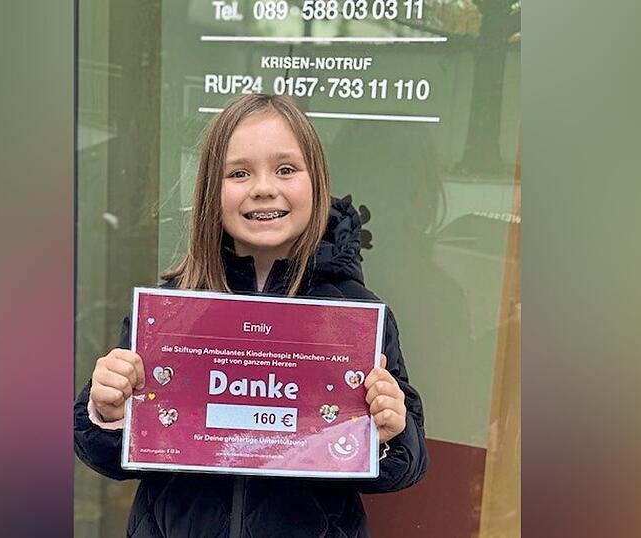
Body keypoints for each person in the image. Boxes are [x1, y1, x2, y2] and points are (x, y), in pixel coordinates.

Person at [74, 94, 428, 538]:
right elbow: (107, 453)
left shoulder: (357, 316)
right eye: (239, 172)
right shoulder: (168, 313)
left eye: (285, 169)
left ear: (316, 181)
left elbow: (405, 465)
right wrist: (107, 412)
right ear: (209, 193)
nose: (263, 187)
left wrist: (390, 431)